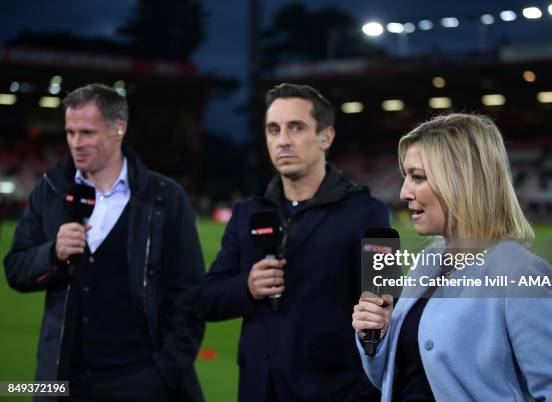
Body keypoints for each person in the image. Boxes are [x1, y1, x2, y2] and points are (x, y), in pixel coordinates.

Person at [352, 113, 552, 402]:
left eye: (417, 177)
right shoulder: (426, 262)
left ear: (460, 181)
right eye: (405, 177)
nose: (404, 192)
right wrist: (376, 338)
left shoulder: (521, 274)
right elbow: (398, 379)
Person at [3, 83, 206, 402]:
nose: (75, 143)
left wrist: (163, 373)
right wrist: (52, 254)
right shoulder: (51, 191)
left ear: (118, 129)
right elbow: (15, 269)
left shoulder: (165, 199)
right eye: (70, 133)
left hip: (138, 382)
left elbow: (189, 296)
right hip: (62, 384)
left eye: (87, 133)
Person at [198, 83, 389, 402]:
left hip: (333, 392)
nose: (282, 140)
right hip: (258, 390)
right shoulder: (248, 213)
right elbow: (206, 299)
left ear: (326, 136)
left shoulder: (367, 212)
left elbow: (385, 307)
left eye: (296, 127)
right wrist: (247, 287)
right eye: (273, 130)